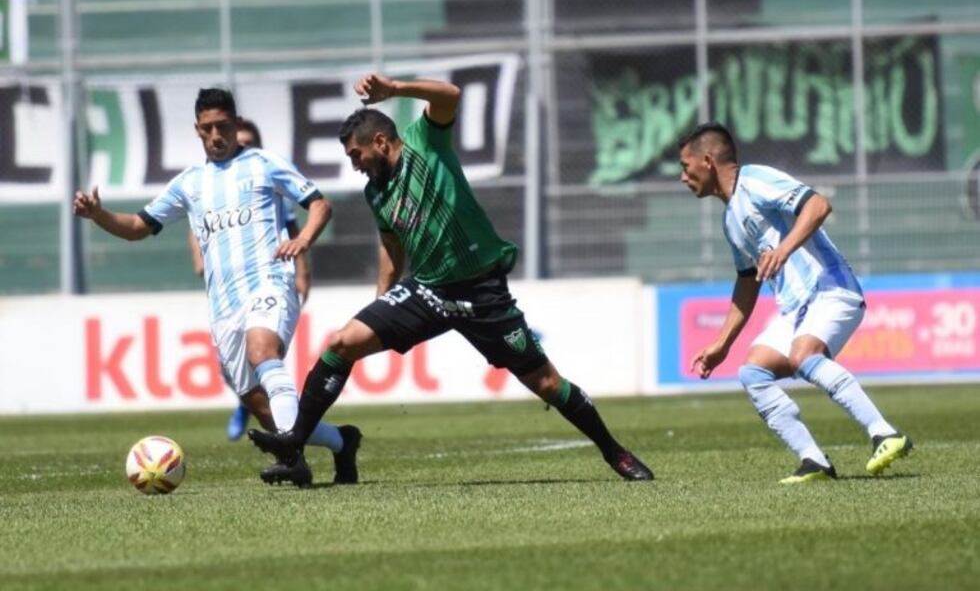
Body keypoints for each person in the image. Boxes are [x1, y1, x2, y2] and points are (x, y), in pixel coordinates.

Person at [248, 73, 653, 482]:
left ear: (381, 143)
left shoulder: (425, 141)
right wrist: (378, 306)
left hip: (482, 292)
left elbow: (451, 95)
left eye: (356, 155)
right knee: (341, 343)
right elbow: (391, 248)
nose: (354, 165)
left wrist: (395, 90)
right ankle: (294, 440)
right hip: (427, 291)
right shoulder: (377, 192)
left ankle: (615, 453)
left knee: (547, 383)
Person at [73, 88, 360, 487]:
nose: (216, 135)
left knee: (264, 352)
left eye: (223, 126)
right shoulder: (189, 183)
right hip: (225, 307)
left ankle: (291, 453)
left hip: (269, 282)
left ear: (235, 123)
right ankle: (340, 442)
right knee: (260, 403)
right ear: (197, 130)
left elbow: (319, 204)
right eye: (207, 128)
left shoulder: (263, 164)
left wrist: (304, 241)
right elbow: (138, 228)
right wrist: (98, 214)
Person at [679, 122, 913, 483]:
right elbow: (747, 282)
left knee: (804, 356)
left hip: (830, 288)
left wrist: (784, 250)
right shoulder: (730, 220)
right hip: (794, 307)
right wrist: (722, 344)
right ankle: (814, 460)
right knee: (753, 373)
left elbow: (819, 205)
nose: (683, 176)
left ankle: (884, 433)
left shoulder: (755, 180)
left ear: (707, 161)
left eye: (685, 165)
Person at [185, 118, 313, 442]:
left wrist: (302, 271)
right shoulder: (208, 185)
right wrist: (199, 256)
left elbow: (292, 227)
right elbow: (197, 224)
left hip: (267, 279)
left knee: (262, 352)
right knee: (234, 368)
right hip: (228, 292)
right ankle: (332, 439)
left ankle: (287, 442)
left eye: (247, 142)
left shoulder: (268, 184)